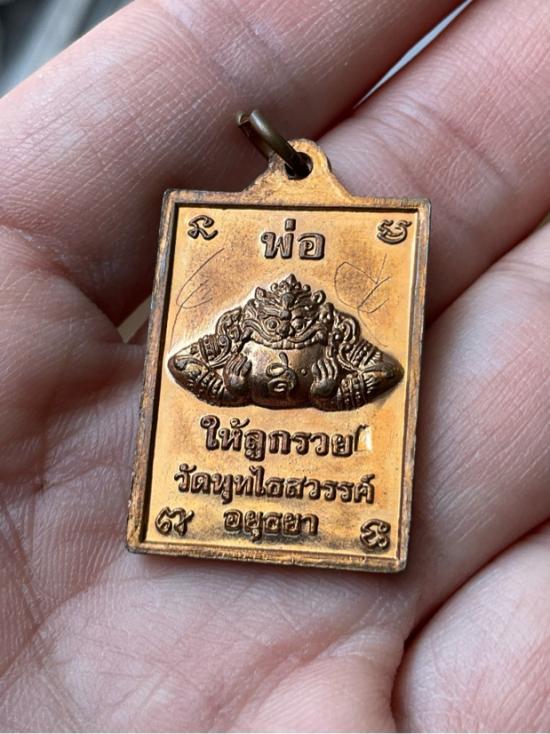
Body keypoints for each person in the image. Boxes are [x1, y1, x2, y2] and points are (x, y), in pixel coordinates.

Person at [0, 0, 548, 731]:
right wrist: (250, 381)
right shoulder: (231, 332)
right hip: (216, 481)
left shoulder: (341, 340)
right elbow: (189, 367)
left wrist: (320, 387)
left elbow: (379, 372)